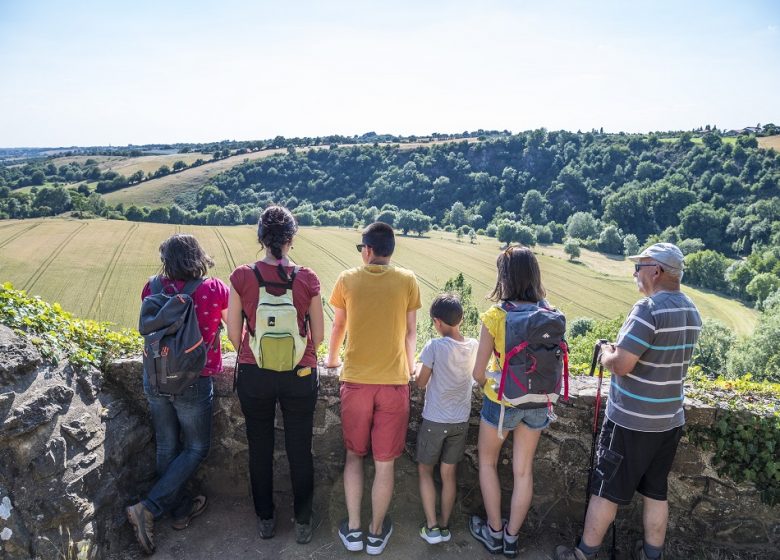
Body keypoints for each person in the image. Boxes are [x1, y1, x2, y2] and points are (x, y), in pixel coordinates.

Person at [555, 243, 701, 560]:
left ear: (656, 271)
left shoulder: (648, 310)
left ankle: (582, 554)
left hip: (631, 421)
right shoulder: (691, 310)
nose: (634, 273)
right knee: (655, 491)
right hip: (669, 419)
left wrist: (607, 352)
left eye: (639, 266)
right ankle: (651, 554)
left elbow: (622, 364)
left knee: (606, 491)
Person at [227, 206, 324, 545]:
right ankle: (303, 522)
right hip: (300, 372)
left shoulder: (242, 276)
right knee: (300, 449)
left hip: (255, 373)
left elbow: (232, 334)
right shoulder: (308, 278)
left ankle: (266, 519)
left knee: (259, 448)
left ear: (260, 238)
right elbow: (320, 336)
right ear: (291, 239)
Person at [127, 234, 229, 555]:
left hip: (155, 375)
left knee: (167, 445)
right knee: (197, 447)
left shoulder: (151, 288)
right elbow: (231, 323)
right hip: (192, 379)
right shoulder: (212, 289)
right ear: (198, 257)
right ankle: (150, 507)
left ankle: (180, 507)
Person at [326, 222, 421, 556]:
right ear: (390, 250)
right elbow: (411, 333)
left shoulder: (347, 279)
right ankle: (376, 534)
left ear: (367, 250)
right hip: (394, 383)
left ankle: (353, 530)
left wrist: (333, 359)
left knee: (354, 455)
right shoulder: (407, 280)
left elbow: (339, 325)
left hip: (355, 381)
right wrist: (410, 368)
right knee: (385, 463)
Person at [469, 246, 556, 559]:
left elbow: (479, 373)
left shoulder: (496, 316)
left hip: (501, 402)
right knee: (523, 472)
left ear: (503, 277)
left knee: (488, 463)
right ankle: (511, 539)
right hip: (538, 402)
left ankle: (493, 533)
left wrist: (487, 386)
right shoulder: (549, 314)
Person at [414, 293, 478, 545]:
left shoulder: (434, 346)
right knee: (449, 474)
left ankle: (430, 527)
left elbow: (420, 383)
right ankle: (444, 526)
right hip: (460, 422)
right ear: (461, 319)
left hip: (434, 421)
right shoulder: (472, 345)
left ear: (437, 322)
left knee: (425, 470)